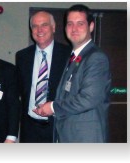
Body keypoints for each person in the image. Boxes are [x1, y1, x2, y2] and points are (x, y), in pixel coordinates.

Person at [33, 4, 111, 143]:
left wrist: (52, 107)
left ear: (91, 26)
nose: (74, 29)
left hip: (85, 138)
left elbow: (88, 99)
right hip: (68, 136)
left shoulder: (95, 58)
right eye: (70, 24)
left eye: (80, 24)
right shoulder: (74, 57)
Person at [16, 11, 71, 143]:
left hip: (57, 125)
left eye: (44, 25)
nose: (39, 30)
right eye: (35, 26)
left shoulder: (68, 55)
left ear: (53, 27)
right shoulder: (22, 56)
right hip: (29, 127)